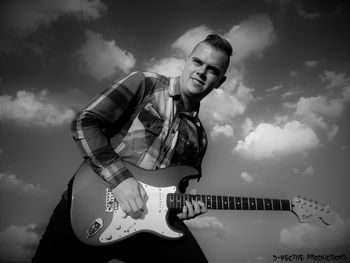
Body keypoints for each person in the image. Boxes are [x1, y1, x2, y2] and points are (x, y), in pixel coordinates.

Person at [33, 34, 232, 263]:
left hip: (148, 224)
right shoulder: (145, 84)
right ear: (186, 61)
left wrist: (182, 208)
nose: (201, 72)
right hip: (90, 207)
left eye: (213, 70)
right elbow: (85, 122)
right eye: (198, 62)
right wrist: (121, 179)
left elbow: (172, 191)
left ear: (220, 81)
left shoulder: (199, 138)